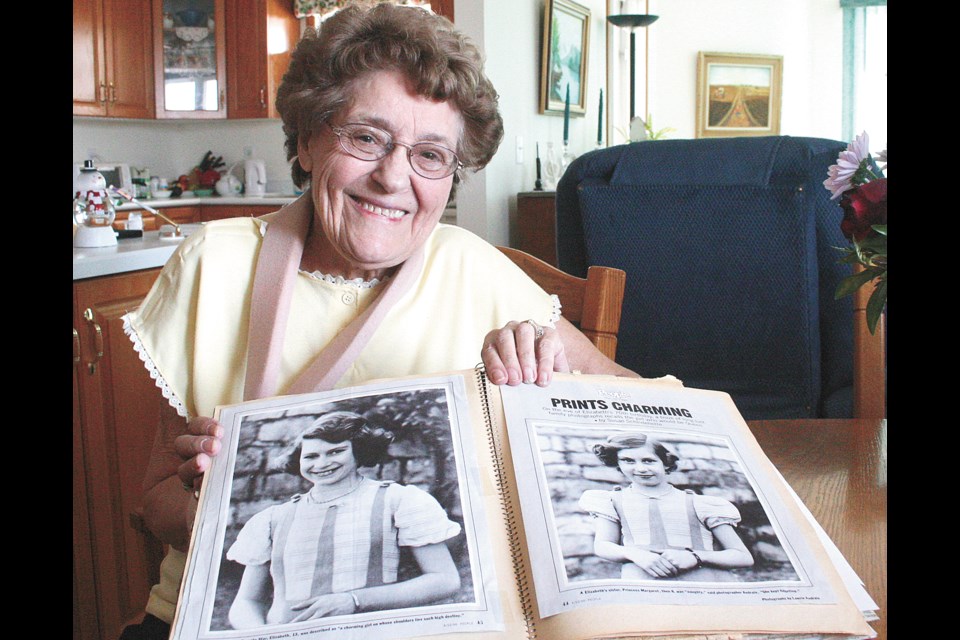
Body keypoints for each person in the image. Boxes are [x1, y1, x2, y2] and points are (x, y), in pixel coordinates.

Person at [119, 4, 637, 639]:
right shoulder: (214, 263)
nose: (394, 177)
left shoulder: (475, 269)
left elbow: (648, 403)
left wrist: (552, 371)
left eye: (430, 155)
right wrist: (210, 504)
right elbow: (154, 502)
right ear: (308, 140)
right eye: (366, 137)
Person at [225, 411, 461, 628]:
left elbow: (444, 580)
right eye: (311, 456)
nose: (322, 464)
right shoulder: (272, 519)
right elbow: (247, 601)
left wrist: (354, 600)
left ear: (359, 451)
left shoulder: (398, 500)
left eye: (335, 451)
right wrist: (261, 634)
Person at [578, 433, 753, 582]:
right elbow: (603, 545)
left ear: (666, 463)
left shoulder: (701, 504)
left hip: (705, 583)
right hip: (645, 584)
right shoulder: (611, 501)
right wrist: (637, 555)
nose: (640, 468)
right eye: (628, 461)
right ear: (618, 464)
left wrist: (696, 556)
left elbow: (742, 556)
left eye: (648, 461)